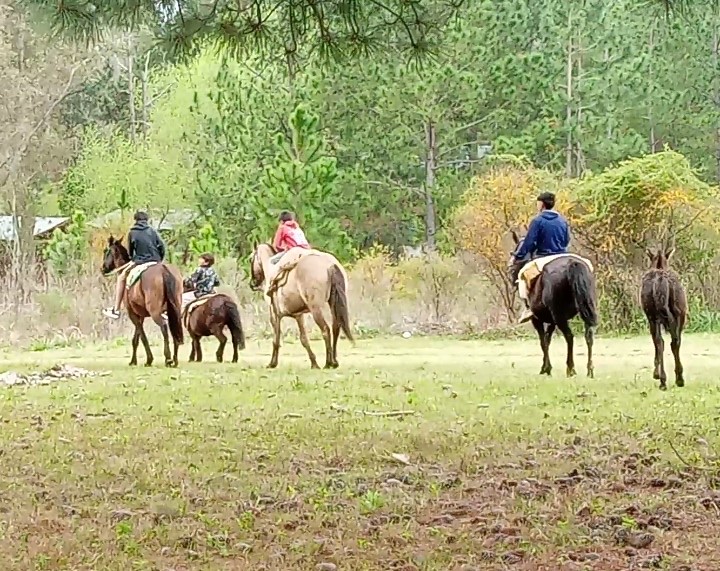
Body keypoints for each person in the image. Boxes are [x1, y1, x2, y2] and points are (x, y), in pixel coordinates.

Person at [513, 191, 571, 323]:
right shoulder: (563, 220)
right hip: (563, 255)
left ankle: (528, 307)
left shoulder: (537, 221)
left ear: (542, 204)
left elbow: (529, 242)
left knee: (523, 276)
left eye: (538, 203)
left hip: (543, 256)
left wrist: (519, 255)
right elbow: (567, 240)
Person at [102, 210, 166, 320]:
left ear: (135, 220)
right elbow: (161, 246)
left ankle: (116, 309)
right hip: (156, 260)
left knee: (121, 278)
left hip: (140, 261)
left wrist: (134, 258)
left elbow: (131, 251)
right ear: (146, 220)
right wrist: (159, 259)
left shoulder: (132, 232)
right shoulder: (152, 230)